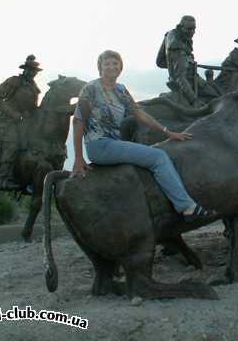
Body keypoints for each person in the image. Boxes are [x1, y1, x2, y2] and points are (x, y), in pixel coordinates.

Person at [71, 49, 214, 220]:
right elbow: (78, 121)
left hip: (114, 143)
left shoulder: (121, 90)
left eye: (115, 63)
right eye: (107, 63)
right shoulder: (91, 89)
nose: (112, 66)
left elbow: (140, 114)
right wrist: (78, 158)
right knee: (158, 157)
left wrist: (167, 132)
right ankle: (186, 207)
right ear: (100, 67)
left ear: (120, 67)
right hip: (99, 145)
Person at [0, 54, 42, 190]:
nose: (32, 73)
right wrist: (14, 114)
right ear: (24, 69)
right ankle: (3, 180)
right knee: (12, 145)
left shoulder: (34, 87)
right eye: (30, 70)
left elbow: (32, 107)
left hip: (25, 123)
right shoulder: (14, 82)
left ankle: (28, 180)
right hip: (7, 120)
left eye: (34, 71)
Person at [161, 15, 216, 106]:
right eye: (189, 29)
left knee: (216, 96)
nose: (192, 32)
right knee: (216, 100)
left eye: (194, 29)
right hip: (185, 82)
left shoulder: (185, 40)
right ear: (180, 27)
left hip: (194, 77)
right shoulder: (176, 46)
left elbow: (160, 62)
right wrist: (194, 100)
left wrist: (174, 64)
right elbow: (180, 77)